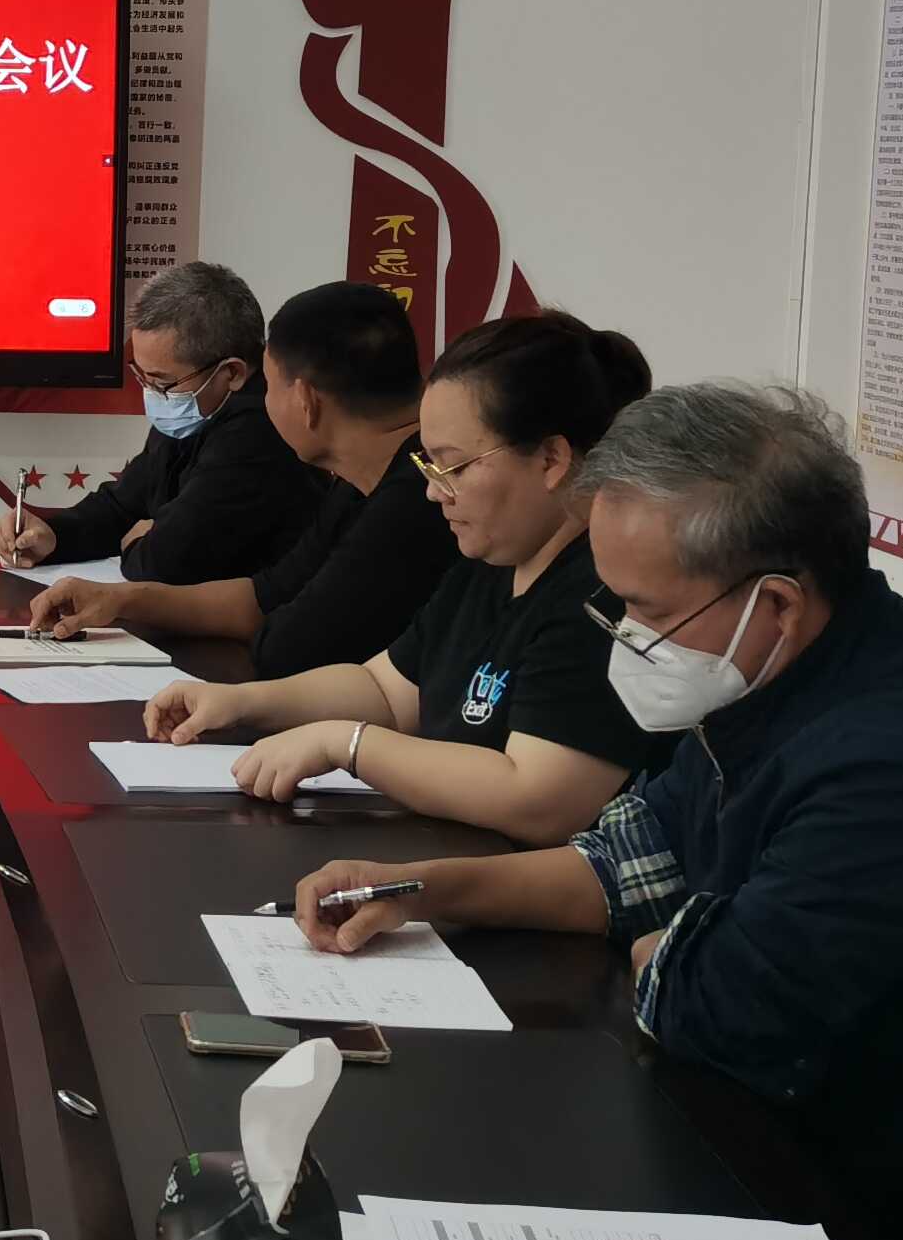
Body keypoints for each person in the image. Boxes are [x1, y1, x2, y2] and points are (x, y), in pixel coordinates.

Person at [302, 381, 903, 1240]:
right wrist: (423, 889)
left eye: (648, 612)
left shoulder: (900, 755)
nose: (626, 638)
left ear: (775, 603)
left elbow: (712, 1008)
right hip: (782, 1152)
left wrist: (673, 946)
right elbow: (626, 865)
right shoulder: (776, 673)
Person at [145, 309, 658, 843]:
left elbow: (537, 798)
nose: (434, 491)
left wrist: (347, 745)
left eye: (453, 467)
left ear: (551, 458)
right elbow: (385, 689)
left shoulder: (606, 594)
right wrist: (242, 703)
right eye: (428, 466)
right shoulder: (491, 565)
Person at [27, 280, 453, 674]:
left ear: (305, 401)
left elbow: (286, 645)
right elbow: (264, 596)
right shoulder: (361, 485)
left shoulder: (416, 500)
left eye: (268, 384)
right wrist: (120, 599)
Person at [0, 261, 332, 587]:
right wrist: (54, 536)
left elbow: (166, 562)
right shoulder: (192, 409)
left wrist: (138, 542)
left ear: (231, 373)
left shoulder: (260, 431)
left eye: (161, 382)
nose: (151, 393)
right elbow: (123, 505)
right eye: (142, 376)